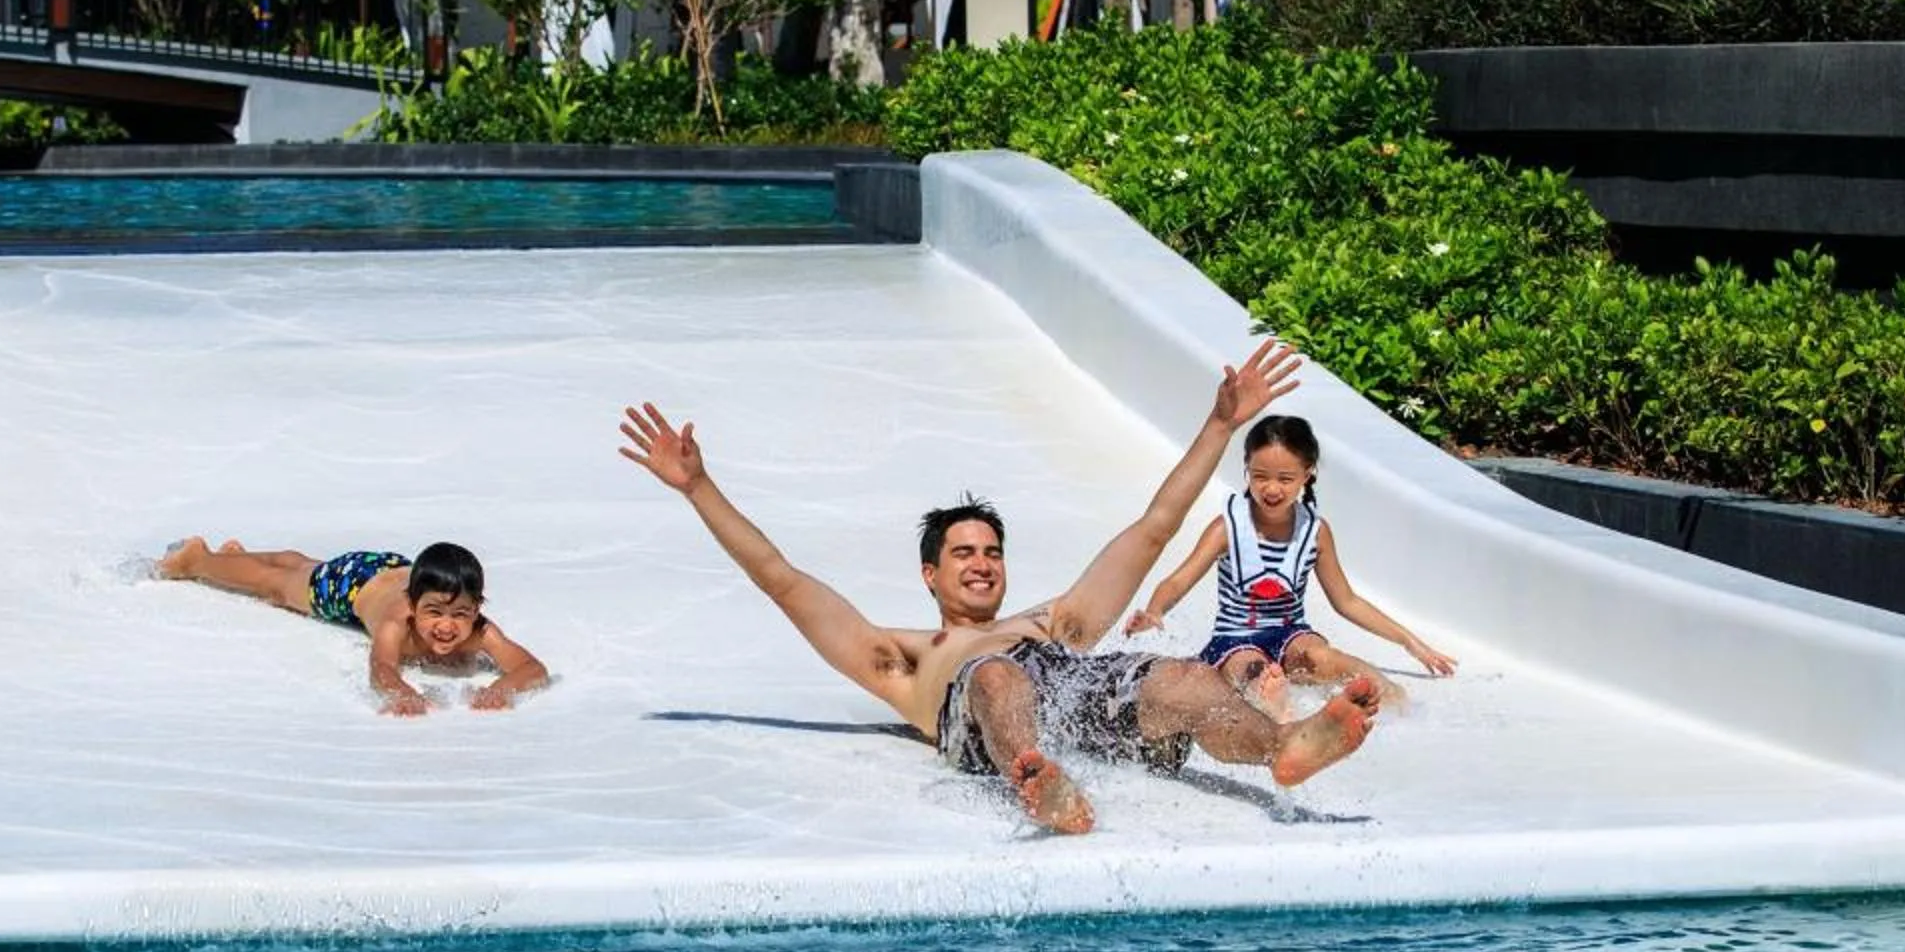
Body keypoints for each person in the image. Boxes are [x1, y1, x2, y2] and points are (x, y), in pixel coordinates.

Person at [618, 342, 1381, 836]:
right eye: (962, 554)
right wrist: (698, 488)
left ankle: (1282, 747)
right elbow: (782, 581)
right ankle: (1035, 774)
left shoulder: (1057, 621)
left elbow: (1153, 529)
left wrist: (1219, 426)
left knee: (1180, 677)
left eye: (991, 552)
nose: (981, 564)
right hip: (988, 710)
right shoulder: (906, 658)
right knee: (995, 671)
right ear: (930, 574)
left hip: (1074, 691)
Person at [1125, 413, 1457, 714]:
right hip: (1236, 640)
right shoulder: (1228, 528)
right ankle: (1286, 721)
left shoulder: (1314, 531)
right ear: (1246, 471)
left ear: (1307, 475)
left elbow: (1347, 601)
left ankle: (1391, 700)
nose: (1271, 488)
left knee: (1321, 657)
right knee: (1252, 672)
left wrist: (1411, 643)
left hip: (1291, 636)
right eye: (1259, 476)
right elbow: (1180, 580)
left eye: (1285, 479)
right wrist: (1155, 610)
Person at [154, 536, 550, 714]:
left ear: (477, 607)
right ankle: (198, 560)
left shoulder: (481, 630)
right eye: (434, 613)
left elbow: (532, 668)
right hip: (354, 584)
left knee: (299, 567)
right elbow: (381, 666)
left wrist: (501, 689)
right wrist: (401, 694)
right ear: (413, 606)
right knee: (277, 588)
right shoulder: (397, 622)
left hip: (398, 571)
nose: (447, 626)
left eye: (460, 614)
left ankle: (238, 558)